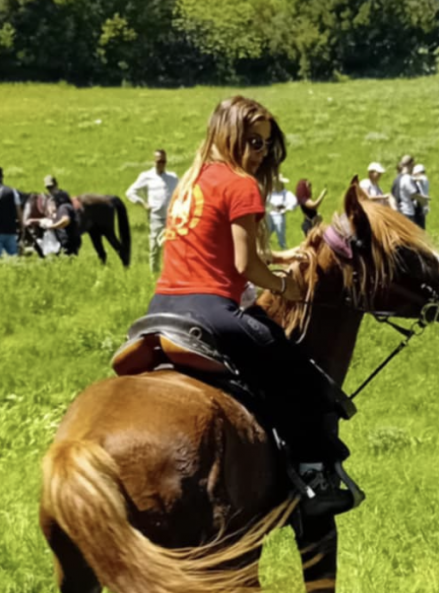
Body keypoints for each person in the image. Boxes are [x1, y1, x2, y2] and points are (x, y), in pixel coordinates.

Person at [149, 95, 359, 517]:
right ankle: (316, 478)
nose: (261, 153)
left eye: (266, 144)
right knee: (301, 375)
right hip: (209, 311)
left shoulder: (191, 181)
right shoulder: (239, 183)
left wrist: (279, 257)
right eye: (254, 142)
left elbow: (213, 248)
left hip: (160, 310)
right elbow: (244, 266)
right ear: (229, 135)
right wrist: (285, 287)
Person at [125, 149, 179, 273]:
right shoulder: (147, 176)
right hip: (156, 218)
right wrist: (143, 204)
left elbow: (182, 191)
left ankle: (172, 273)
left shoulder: (173, 177)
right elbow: (130, 192)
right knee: (155, 247)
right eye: (159, 161)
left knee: (173, 247)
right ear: (154, 161)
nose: (162, 164)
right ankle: (154, 274)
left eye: (164, 161)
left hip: (172, 218)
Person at [42, 189, 82, 256]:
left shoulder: (63, 207)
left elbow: (65, 220)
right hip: (72, 240)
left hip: (68, 241)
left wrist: (52, 226)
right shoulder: (68, 207)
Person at [266, 174, 297, 249]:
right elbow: (265, 203)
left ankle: (284, 249)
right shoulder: (270, 193)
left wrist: (286, 208)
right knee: (266, 234)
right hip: (269, 216)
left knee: (280, 235)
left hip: (279, 216)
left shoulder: (285, 193)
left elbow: (294, 202)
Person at [411, 163, 431, 229]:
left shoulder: (423, 178)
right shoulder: (423, 178)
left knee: (420, 224)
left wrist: (407, 177)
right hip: (421, 204)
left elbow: (417, 179)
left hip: (421, 205)